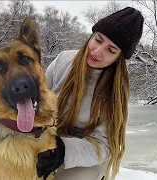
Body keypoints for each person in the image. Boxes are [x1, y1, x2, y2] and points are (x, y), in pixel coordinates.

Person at [45, 7, 144, 180]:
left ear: (118, 58)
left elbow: (103, 144)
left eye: (111, 50)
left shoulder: (115, 91)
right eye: (98, 40)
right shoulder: (62, 60)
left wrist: (62, 151)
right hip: (48, 137)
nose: (97, 52)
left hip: (89, 152)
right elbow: (35, 103)